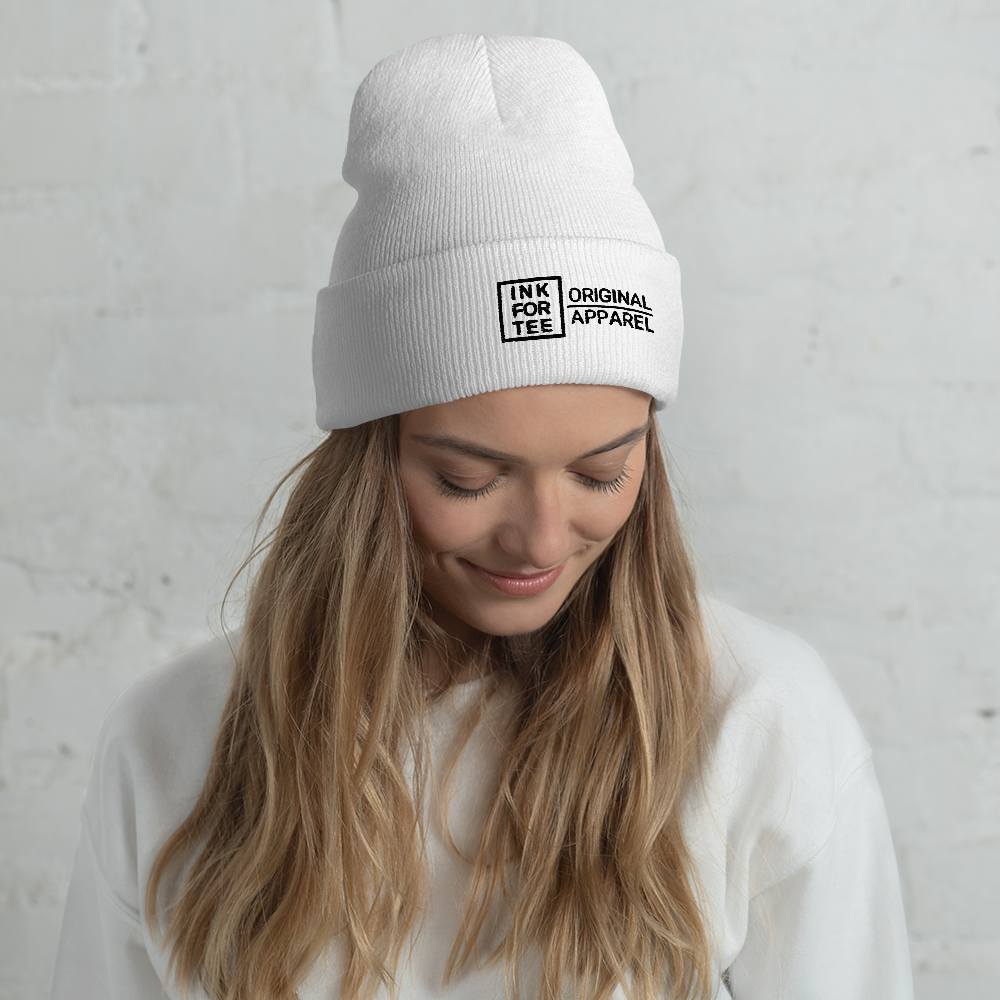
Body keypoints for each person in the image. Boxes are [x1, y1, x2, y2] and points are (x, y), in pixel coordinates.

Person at [50, 34, 914, 1000]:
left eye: (601, 472)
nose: (541, 539)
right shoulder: (171, 745)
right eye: (467, 479)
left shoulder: (760, 724)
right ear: (369, 461)